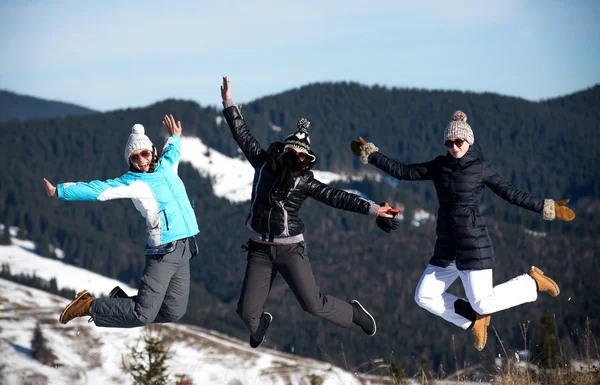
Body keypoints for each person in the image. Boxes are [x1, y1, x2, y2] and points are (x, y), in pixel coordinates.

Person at [350, 110, 575, 350]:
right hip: (446, 248)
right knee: (424, 296)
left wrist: (546, 207)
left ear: (468, 141)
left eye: (459, 142)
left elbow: (511, 194)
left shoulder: (481, 168)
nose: (454, 147)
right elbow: (403, 172)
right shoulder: (439, 166)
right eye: (449, 142)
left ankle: (531, 282)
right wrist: (371, 155)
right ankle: (471, 320)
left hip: (473, 246)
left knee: (484, 303)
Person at [220, 76, 397, 348]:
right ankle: (260, 328)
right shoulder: (264, 164)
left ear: (308, 160)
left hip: (291, 250)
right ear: (287, 150)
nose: (298, 159)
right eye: (294, 153)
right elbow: (242, 134)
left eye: (304, 157)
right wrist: (229, 103)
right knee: (246, 314)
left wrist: (374, 209)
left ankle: (354, 313)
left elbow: (338, 197)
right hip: (259, 249)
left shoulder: (305, 181)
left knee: (313, 304)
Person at [43, 115, 199, 328]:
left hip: (185, 248)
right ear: (130, 162)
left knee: (173, 311)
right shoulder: (132, 182)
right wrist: (59, 190)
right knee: (142, 314)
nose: (141, 160)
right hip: (163, 250)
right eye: (134, 157)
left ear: (152, 151)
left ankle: (120, 304)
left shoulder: (167, 165)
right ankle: (89, 305)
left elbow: (172, 150)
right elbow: (97, 190)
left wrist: (175, 137)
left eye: (144, 153)